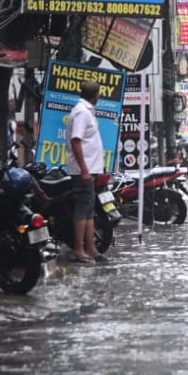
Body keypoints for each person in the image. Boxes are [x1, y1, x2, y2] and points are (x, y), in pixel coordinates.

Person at [66, 81, 107, 264]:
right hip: (84, 171)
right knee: (82, 210)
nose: (99, 97)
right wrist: (84, 169)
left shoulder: (86, 110)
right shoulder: (81, 112)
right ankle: (79, 249)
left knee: (89, 210)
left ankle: (91, 248)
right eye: (99, 94)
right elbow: (76, 141)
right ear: (95, 95)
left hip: (90, 170)